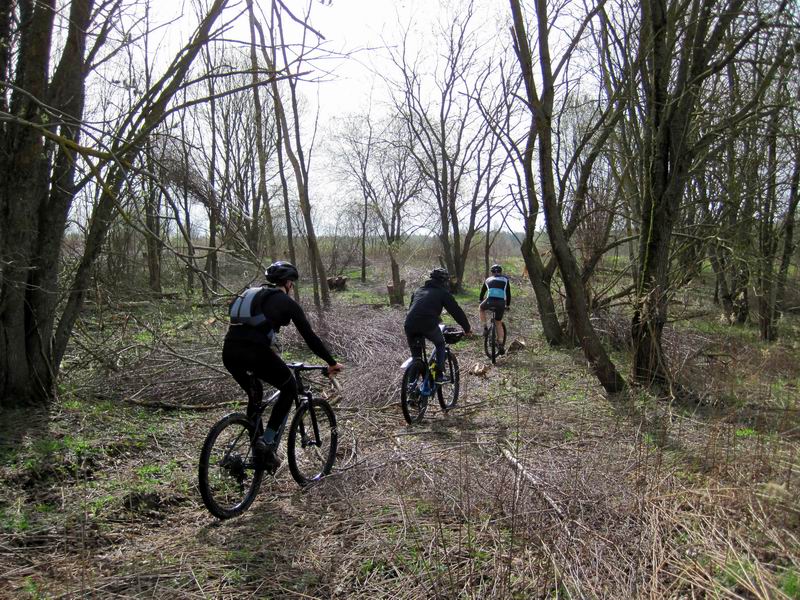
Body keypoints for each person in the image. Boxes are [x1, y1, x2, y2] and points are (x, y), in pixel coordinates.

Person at [222, 261, 343, 473]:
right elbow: (310, 337)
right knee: (289, 387)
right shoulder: (286, 302)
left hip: (230, 352)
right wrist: (331, 362)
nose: (292, 288)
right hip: (255, 352)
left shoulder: (250, 294)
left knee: (255, 394)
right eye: (292, 284)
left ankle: (258, 449)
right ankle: (267, 442)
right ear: (287, 283)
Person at [404, 268, 472, 382]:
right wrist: (467, 328)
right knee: (440, 343)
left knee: (416, 357)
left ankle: (412, 388)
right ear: (445, 281)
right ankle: (439, 375)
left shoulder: (418, 290)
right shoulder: (443, 293)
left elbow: (412, 308)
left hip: (409, 324)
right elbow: (456, 311)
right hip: (428, 324)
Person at [479, 264, 511, 354]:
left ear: (491, 272)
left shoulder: (488, 279)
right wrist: (507, 305)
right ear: (501, 272)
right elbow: (508, 293)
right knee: (498, 323)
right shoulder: (505, 280)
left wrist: (480, 300)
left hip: (490, 300)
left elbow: (482, 291)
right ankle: (500, 344)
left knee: (481, 308)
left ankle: (485, 328)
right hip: (501, 303)